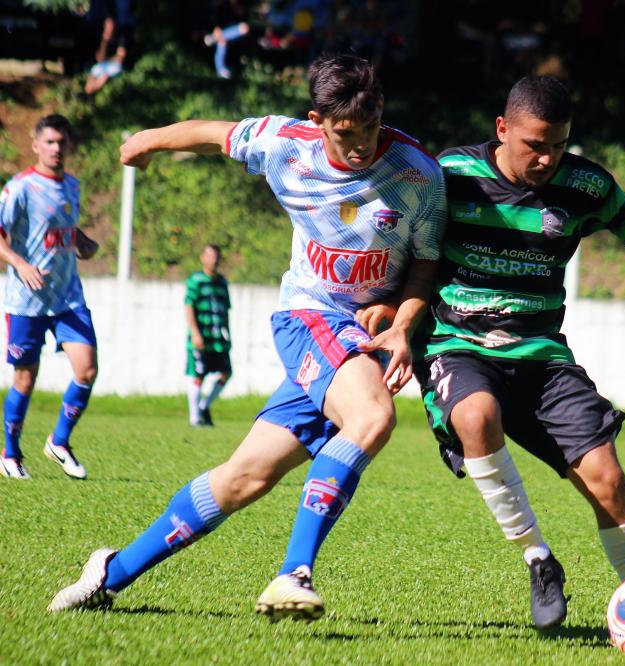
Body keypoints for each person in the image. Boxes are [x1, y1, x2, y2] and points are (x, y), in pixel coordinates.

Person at [49, 53, 446, 621]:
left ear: (381, 108)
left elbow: (426, 265)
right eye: (344, 132)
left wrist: (402, 321)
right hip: (309, 316)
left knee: (245, 478)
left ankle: (109, 574)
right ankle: (294, 573)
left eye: (369, 126)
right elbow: (214, 132)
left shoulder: (417, 174)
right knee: (373, 418)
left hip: (362, 340)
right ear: (317, 120)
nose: (359, 145)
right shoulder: (286, 143)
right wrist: (147, 140)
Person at [412, 75, 625, 630]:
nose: (547, 158)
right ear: (502, 129)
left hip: (543, 357)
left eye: (558, 145)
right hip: (458, 346)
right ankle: (538, 559)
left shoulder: (586, 186)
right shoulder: (451, 177)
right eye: (534, 144)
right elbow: (405, 247)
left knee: (607, 478)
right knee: (477, 416)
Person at [0, 114, 100, 481]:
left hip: (67, 298)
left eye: (62, 142)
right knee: (25, 379)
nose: (57, 149)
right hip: (26, 301)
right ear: (36, 144)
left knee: (87, 369)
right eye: (50, 142)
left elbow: (65, 228)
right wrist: (19, 263)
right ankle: (10, 454)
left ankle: (59, 442)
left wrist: (82, 241)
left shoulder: (72, 185)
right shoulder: (20, 188)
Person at [185, 243, 232, 427]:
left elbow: (226, 310)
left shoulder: (222, 282)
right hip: (201, 336)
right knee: (198, 375)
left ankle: (204, 405)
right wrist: (195, 333)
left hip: (217, 339)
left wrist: (227, 332)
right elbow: (188, 306)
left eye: (216, 257)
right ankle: (194, 418)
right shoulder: (196, 280)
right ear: (202, 258)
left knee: (226, 373)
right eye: (210, 256)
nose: (214, 260)